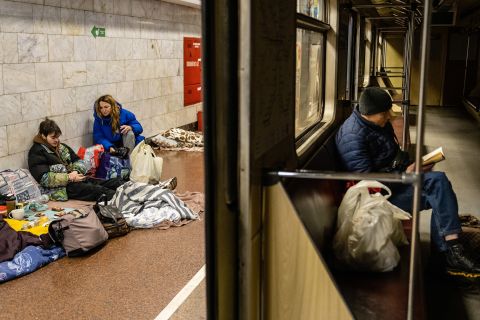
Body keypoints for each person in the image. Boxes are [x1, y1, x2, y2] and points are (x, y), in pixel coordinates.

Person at [335, 87, 480, 275]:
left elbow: (391, 155)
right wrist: (406, 173)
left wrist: (412, 165)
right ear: (368, 113)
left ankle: (448, 252)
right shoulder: (352, 136)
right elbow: (368, 182)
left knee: (439, 185)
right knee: (438, 189)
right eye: (384, 113)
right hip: (377, 198)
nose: (388, 117)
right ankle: (449, 254)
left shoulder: (377, 124)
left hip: (393, 182)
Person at [28, 119, 124, 201]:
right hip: (61, 189)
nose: (56, 140)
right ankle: (126, 203)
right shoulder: (37, 152)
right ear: (43, 136)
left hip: (76, 179)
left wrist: (75, 171)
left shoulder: (61, 147)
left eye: (57, 137)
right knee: (101, 191)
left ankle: (132, 194)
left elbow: (79, 161)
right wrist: (70, 177)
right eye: (53, 138)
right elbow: (44, 178)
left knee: (115, 182)